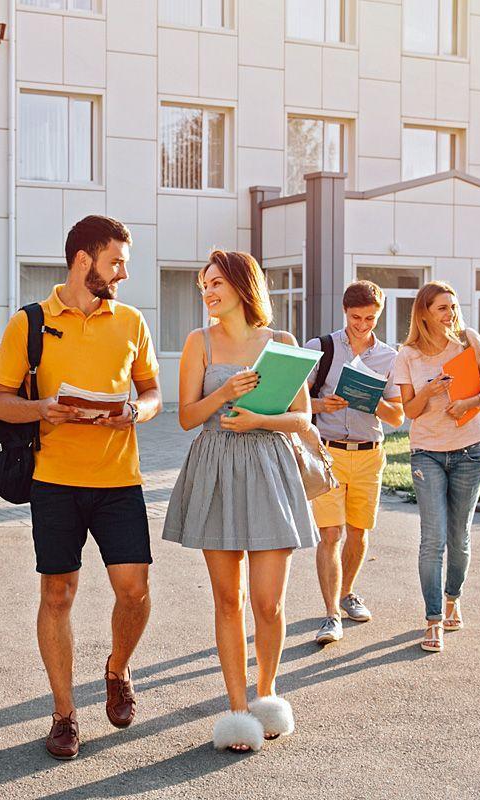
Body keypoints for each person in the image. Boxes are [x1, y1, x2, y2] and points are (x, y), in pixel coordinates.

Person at [0, 215, 162, 760]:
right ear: (84, 259)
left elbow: (153, 392)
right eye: (117, 262)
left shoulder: (131, 322)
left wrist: (135, 411)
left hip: (119, 481)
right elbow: (0, 401)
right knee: (58, 594)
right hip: (55, 482)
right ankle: (64, 714)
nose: (123, 273)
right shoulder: (30, 322)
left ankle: (117, 669)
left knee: (133, 590)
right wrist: (42, 409)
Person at [163, 250, 318, 753]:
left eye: (215, 283)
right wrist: (225, 391)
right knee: (228, 600)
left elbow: (303, 420)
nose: (207, 292)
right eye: (202, 285)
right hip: (217, 470)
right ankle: (235, 709)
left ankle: (268, 695)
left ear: (241, 284)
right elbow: (187, 417)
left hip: (271, 468)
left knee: (268, 602)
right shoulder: (197, 342)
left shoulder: (283, 343)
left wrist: (260, 421)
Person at [392, 280, 480, 654]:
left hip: (470, 449)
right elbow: (408, 411)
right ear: (424, 312)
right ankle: (433, 619)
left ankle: (453, 597)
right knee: (432, 539)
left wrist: (469, 402)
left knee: (459, 536)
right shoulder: (407, 354)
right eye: (442, 308)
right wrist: (432, 390)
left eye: (452, 306)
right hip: (427, 453)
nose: (450, 313)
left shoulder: (469, 341)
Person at [304, 281, 406, 645]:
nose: (362, 324)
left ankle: (347, 592)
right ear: (344, 312)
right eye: (355, 317)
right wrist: (321, 405)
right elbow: (291, 400)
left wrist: (371, 400)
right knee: (331, 533)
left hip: (369, 453)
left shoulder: (390, 358)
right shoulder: (320, 348)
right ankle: (331, 615)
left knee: (359, 532)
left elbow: (397, 417)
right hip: (327, 453)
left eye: (370, 318)